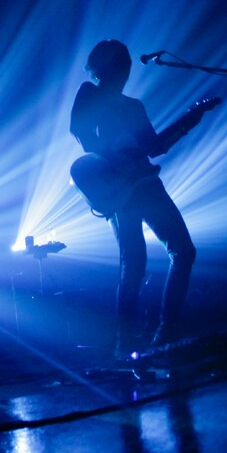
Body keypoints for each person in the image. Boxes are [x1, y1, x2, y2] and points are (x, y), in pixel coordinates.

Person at [70, 40, 196, 358]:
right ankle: (126, 342)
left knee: (182, 252)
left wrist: (187, 123)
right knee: (135, 265)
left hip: (146, 185)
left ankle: (166, 330)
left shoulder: (134, 107)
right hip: (120, 187)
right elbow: (81, 134)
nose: (124, 73)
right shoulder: (89, 93)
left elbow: (153, 146)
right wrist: (115, 157)